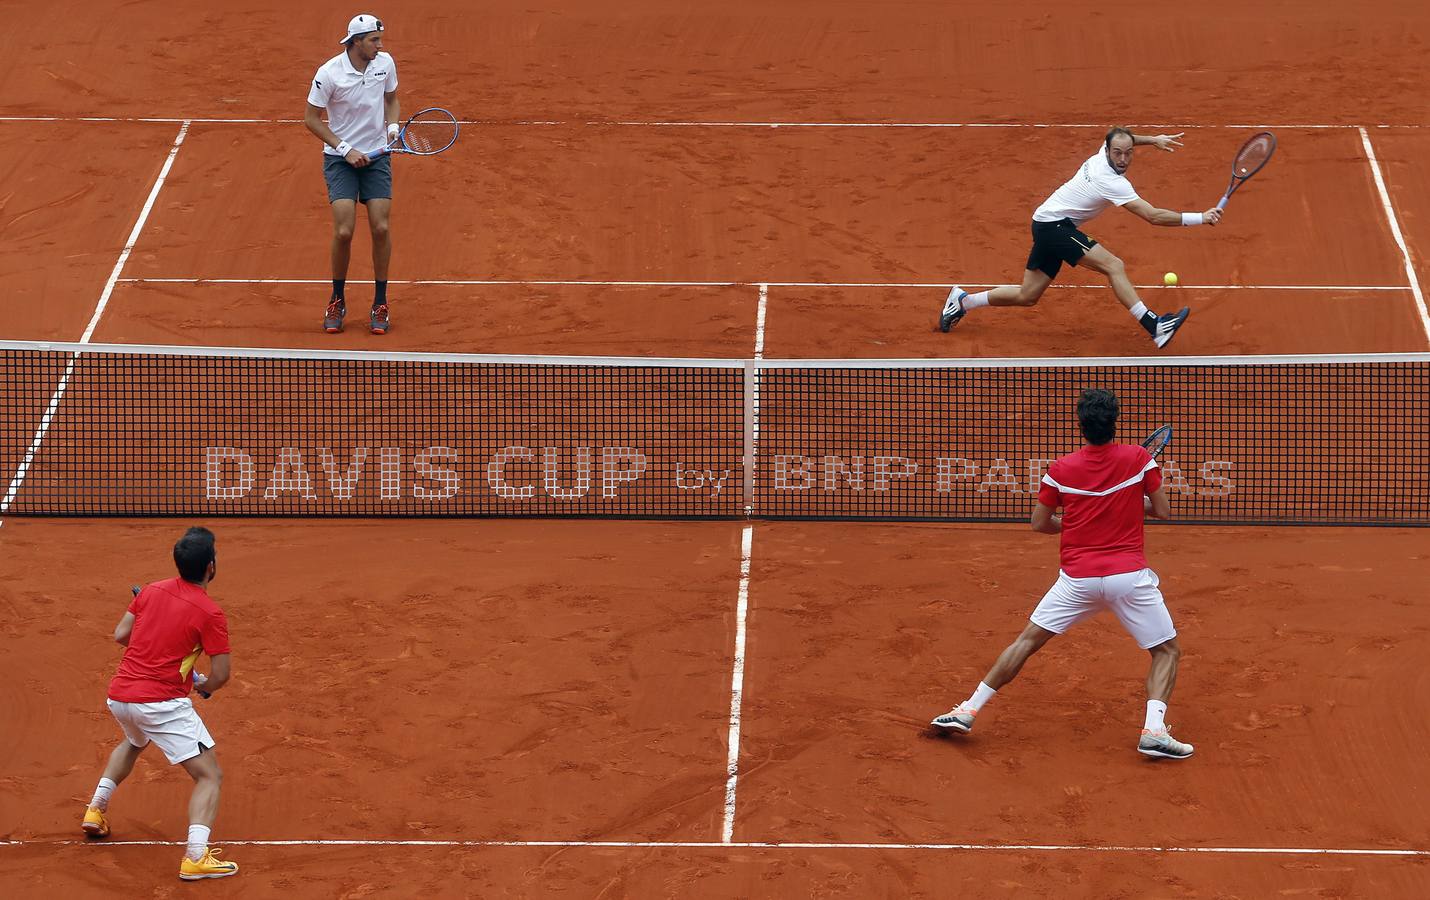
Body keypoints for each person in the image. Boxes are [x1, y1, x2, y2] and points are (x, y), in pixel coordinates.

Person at [930, 389, 1193, 759]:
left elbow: (1040, 523)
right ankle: (1154, 730)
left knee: (1026, 642)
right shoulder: (1138, 459)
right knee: (1166, 651)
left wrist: (1075, 519)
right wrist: (1128, 501)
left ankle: (967, 710)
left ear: (1081, 426)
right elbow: (1162, 510)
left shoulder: (1060, 469)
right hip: (1128, 579)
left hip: (1077, 580)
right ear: (1113, 423)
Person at [939, 128, 1222, 349]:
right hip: (1054, 226)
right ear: (1108, 151)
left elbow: (1127, 137)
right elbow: (1153, 216)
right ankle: (1154, 326)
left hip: (1045, 220)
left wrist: (1153, 139)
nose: (1122, 159)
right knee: (1114, 265)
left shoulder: (1104, 151)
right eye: (1117, 153)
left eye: (1127, 153)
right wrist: (1201, 217)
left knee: (1028, 296)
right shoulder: (1112, 182)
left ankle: (962, 301)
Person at [80, 527, 239, 880]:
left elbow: (122, 635)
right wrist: (205, 687)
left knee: (135, 740)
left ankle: (95, 809)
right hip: (160, 704)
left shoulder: (151, 590)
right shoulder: (210, 613)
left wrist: (165, 657)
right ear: (210, 567)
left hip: (121, 697)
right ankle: (195, 856)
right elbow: (222, 674)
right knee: (209, 776)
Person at [304, 14, 400, 335]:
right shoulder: (328, 73)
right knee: (344, 230)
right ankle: (337, 299)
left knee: (381, 226)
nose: (380, 45)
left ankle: (381, 302)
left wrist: (392, 127)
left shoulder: (385, 63)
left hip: (376, 157)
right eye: (374, 40)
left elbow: (391, 99)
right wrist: (345, 149)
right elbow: (312, 119)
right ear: (356, 41)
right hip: (340, 159)